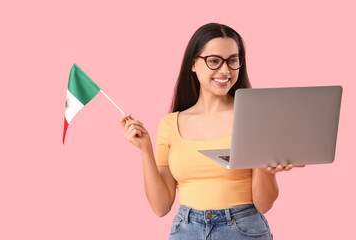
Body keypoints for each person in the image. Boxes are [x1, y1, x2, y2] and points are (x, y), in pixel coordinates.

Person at [119, 23, 304, 240]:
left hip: (243, 230)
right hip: (186, 231)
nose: (225, 71)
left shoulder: (254, 116)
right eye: (214, 61)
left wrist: (265, 169)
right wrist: (145, 150)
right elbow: (161, 207)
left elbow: (263, 204)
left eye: (233, 61)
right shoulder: (169, 124)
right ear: (193, 64)